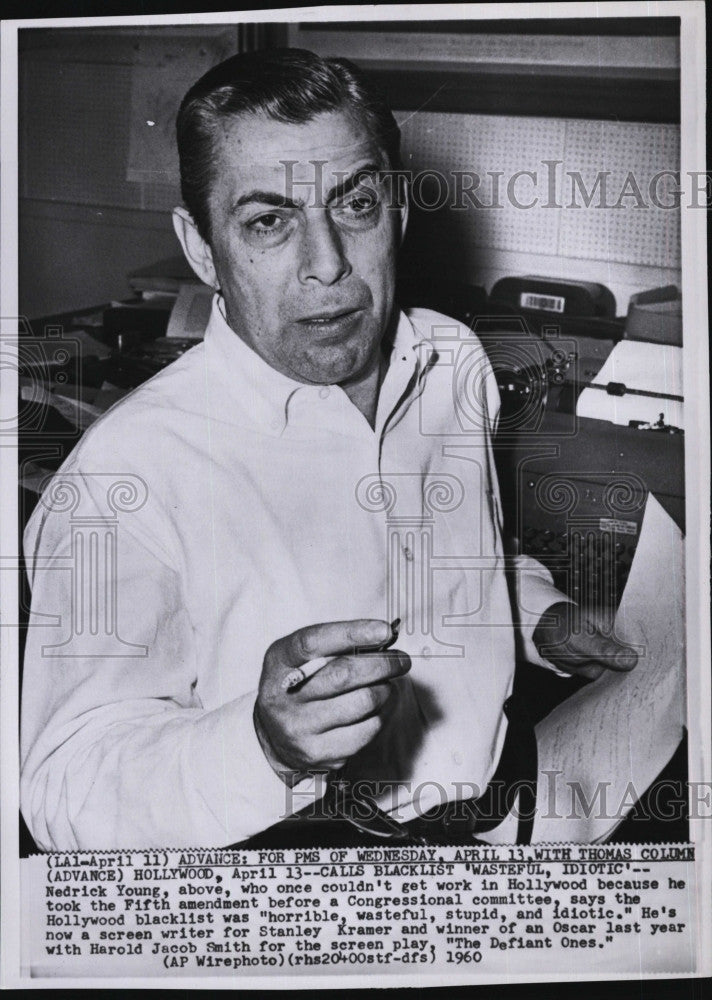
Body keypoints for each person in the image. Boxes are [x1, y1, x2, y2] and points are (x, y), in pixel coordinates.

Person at [20, 48, 637, 851]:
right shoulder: (124, 474)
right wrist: (263, 747)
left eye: (356, 205)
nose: (329, 267)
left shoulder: (453, 364)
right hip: (298, 875)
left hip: (503, 824)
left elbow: (459, 566)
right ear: (202, 247)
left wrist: (539, 619)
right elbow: (62, 790)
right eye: (268, 221)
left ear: (400, 211)